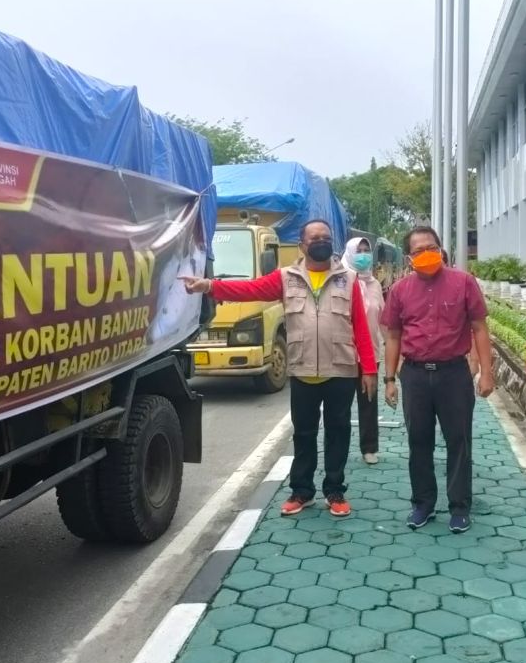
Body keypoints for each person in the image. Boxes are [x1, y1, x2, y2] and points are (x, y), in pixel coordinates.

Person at [181, 220, 377, 518]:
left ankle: (335, 491)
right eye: (314, 238)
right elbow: (250, 289)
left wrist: (369, 370)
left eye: (326, 237)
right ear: (302, 245)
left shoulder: (347, 280)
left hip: (341, 370)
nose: (321, 242)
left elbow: (360, 327)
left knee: (338, 432)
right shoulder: (287, 278)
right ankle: (302, 492)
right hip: (302, 371)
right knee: (304, 433)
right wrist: (210, 286)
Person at [381, 226, 495, 533]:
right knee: (419, 441)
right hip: (415, 375)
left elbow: (480, 328)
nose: (426, 254)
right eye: (418, 251)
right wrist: (389, 379)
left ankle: (459, 507)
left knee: (459, 441)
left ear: (441, 249)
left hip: (454, 374)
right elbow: (393, 335)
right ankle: (423, 504)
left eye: (431, 247)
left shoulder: (463, 282)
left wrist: (487, 372)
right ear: (409, 257)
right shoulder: (401, 290)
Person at [342, 236, 385, 464]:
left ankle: (369, 447)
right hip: (344, 354)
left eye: (366, 250)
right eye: (358, 250)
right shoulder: (341, 281)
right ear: (349, 252)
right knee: (340, 405)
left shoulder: (375, 284)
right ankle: (339, 448)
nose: (363, 254)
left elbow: (383, 320)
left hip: (371, 353)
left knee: (368, 401)